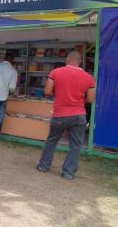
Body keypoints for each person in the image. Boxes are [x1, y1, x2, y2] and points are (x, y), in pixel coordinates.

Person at [37, 51, 95, 180]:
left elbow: (47, 91)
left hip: (60, 114)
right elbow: (91, 99)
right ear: (80, 61)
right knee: (75, 145)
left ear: (67, 60)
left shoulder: (56, 72)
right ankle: (68, 172)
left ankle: (43, 166)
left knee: (52, 141)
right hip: (79, 115)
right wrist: (79, 100)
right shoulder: (89, 77)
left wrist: (60, 95)